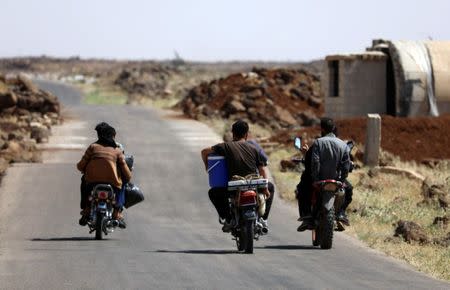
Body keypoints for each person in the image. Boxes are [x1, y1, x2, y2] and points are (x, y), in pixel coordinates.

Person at [201, 120, 271, 232]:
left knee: (213, 193)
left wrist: (207, 167)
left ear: (233, 133)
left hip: (233, 186)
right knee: (271, 188)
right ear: (246, 134)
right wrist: (266, 189)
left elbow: (204, 152)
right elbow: (262, 169)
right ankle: (263, 219)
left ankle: (228, 219)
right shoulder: (254, 148)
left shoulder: (225, 147)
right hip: (254, 184)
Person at [297, 118, 350, 231]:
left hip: (320, 179)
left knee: (302, 187)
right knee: (349, 189)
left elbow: (315, 162)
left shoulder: (318, 142)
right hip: (336, 180)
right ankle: (341, 214)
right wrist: (342, 180)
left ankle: (306, 216)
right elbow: (346, 166)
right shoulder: (343, 145)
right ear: (333, 129)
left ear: (322, 129)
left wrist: (315, 179)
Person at [77, 122, 132, 228]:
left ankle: (87, 209)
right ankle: (117, 213)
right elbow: (127, 175)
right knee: (124, 183)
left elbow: (80, 166)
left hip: (92, 182)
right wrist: (126, 177)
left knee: (84, 181)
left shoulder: (93, 147)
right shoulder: (117, 151)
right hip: (113, 182)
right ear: (113, 136)